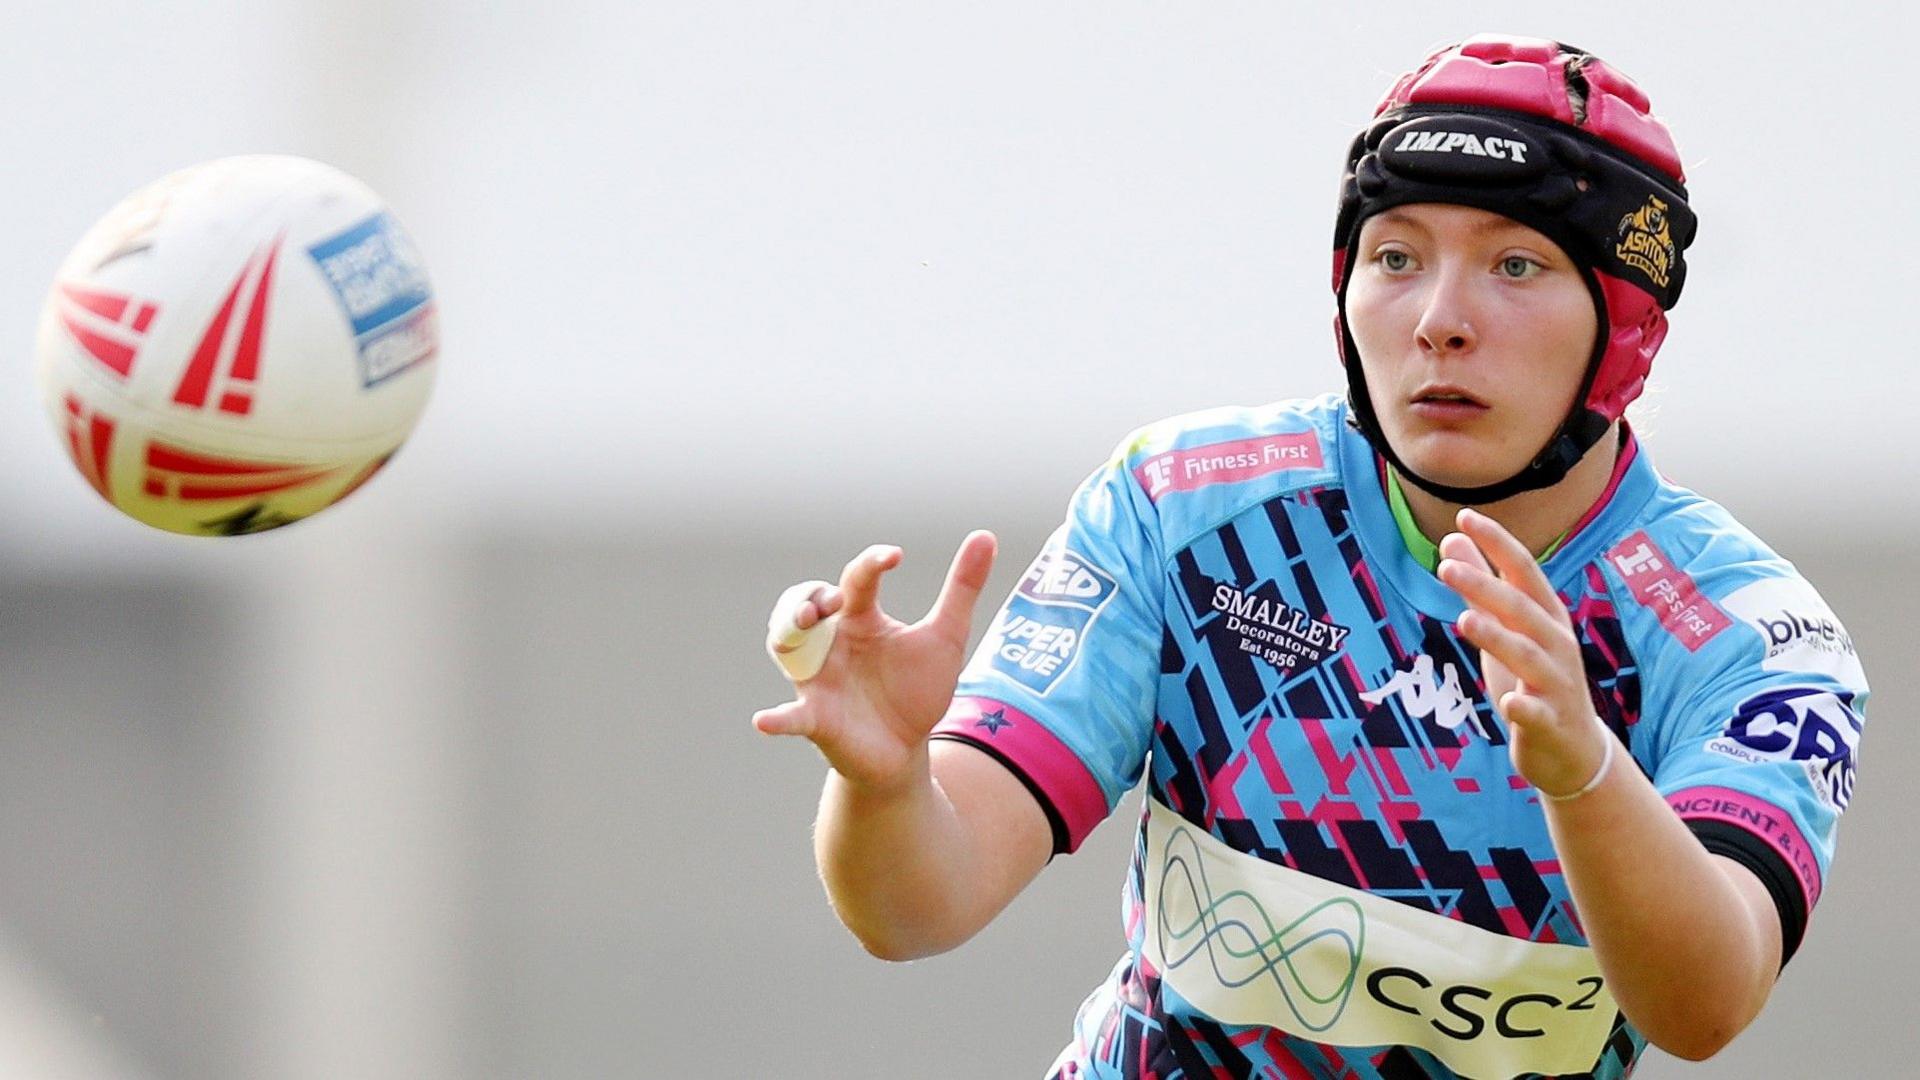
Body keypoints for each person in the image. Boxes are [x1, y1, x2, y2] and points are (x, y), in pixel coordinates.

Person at [754, 34, 1869, 1079]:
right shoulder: (1189, 507)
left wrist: (1583, 767)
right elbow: (912, 910)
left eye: (1517, 266)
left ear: (1624, 330)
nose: (1438, 319)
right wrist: (887, 781)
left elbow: (1707, 1005)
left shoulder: (1745, 636)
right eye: (1395, 256)